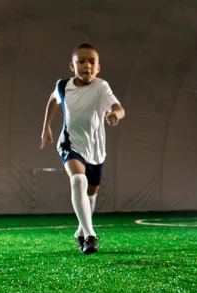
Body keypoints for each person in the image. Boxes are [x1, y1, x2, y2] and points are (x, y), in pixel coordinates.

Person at [40, 43, 125, 254]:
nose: (87, 65)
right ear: (72, 65)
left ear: (98, 68)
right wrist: (46, 127)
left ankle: (81, 230)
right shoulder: (63, 87)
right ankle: (90, 235)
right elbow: (53, 100)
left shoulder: (101, 87)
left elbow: (118, 107)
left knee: (91, 194)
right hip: (70, 144)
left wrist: (115, 115)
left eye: (92, 62)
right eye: (81, 61)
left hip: (95, 149)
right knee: (78, 179)